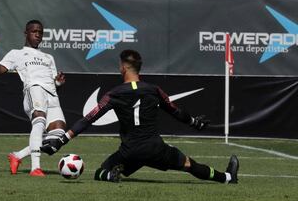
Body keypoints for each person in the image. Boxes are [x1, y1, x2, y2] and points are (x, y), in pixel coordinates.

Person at [41, 49, 239, 184]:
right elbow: (175, 111)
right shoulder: (154, 90)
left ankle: (110, 176)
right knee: (189, 165)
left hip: (129, 152)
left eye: (120, 65)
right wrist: (195, 123)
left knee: (100, 172)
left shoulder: (114, 94)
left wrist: (60, 142)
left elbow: (88, 119)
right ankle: (228, 178)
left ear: (125, 68)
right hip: (156, 149)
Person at [0, 19, 66, 177]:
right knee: (39, 123)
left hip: (52, 96)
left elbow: (53, 81)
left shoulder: (49, 57)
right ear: (26, 33)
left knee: (58, 137)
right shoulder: (17, 54)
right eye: (34, 31)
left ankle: (17, 156)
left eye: (40, 32)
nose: (38, 35)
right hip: (34, 90)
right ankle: (35, 168)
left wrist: (58, 81)